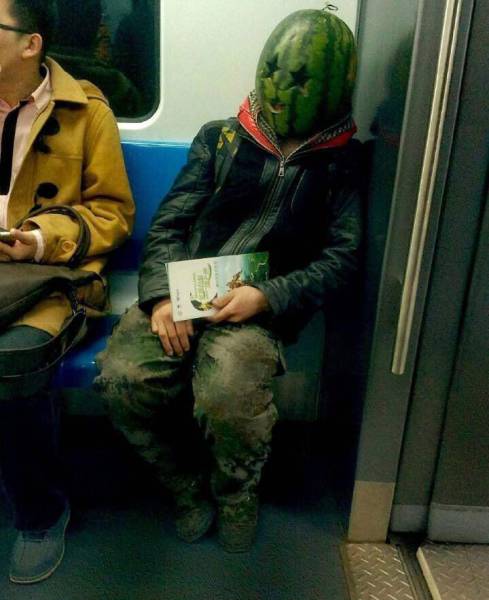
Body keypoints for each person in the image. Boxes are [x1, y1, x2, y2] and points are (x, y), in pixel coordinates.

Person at [96, 9, 361, 553]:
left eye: (301, 81)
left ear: (335, 87)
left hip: (258, 308)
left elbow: (342, 258)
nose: (282, 90)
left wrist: (267, 295)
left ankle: (235, 492)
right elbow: (170, 223)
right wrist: (161, 297)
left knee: (229, 396)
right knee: (123, 378)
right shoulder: (220, 138)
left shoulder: (342, 165)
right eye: (274, 73)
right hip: (182, 290)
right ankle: (183, 484)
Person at [0, 0, 134, 584]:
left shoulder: (87, 111)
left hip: (54, 278)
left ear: (29, 44)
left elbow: (112, 214)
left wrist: (37, 240)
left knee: (13, 359)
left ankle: (40, 511)